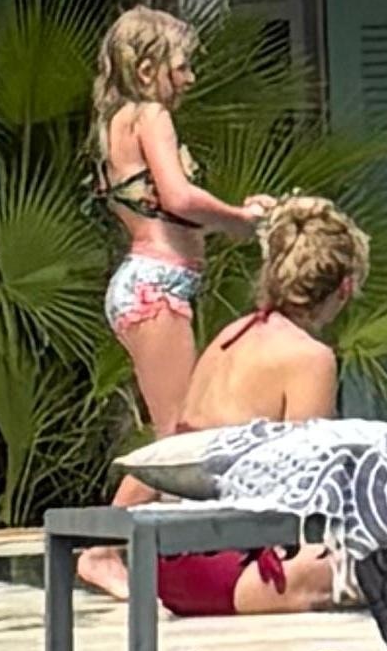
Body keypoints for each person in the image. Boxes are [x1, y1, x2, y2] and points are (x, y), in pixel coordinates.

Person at [128, 194, 369, 615]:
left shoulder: (230, 335)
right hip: (232, 569)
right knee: (382, 558)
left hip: (171, 568)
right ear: (344, 288)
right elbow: (305, 490)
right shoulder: (310, 358)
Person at [91, 8, 257, 439]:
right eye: (182, 67)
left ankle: (111, 511)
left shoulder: (115, 122)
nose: (190, 78)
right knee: (177, 434)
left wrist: (231, 217)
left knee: (175, 434)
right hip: (157, 285)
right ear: (147, 70)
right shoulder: (150, 116)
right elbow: (178, 197)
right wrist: (239, 219)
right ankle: (115, 511)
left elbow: (161, 209)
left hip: (150, 282)